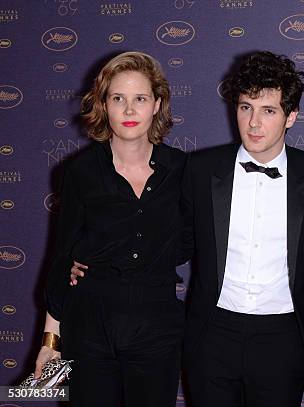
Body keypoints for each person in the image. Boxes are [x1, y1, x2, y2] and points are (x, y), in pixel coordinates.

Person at [38, 51, 186, 406]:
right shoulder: (79, 172)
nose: (130, 110)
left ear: (157, 104)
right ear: (104, 105)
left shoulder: (183, 171)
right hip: (88, 328)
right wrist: (49, 343)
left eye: (140, 99)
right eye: (118, 98)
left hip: (157, 328)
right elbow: (62, 260)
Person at [180, 51, 304, 406]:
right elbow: (168, 240)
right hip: (212, 333)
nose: (254, 123)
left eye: (268, 111)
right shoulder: (199, 169)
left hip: (282, 337)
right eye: (246, 108)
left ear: (291, 117)